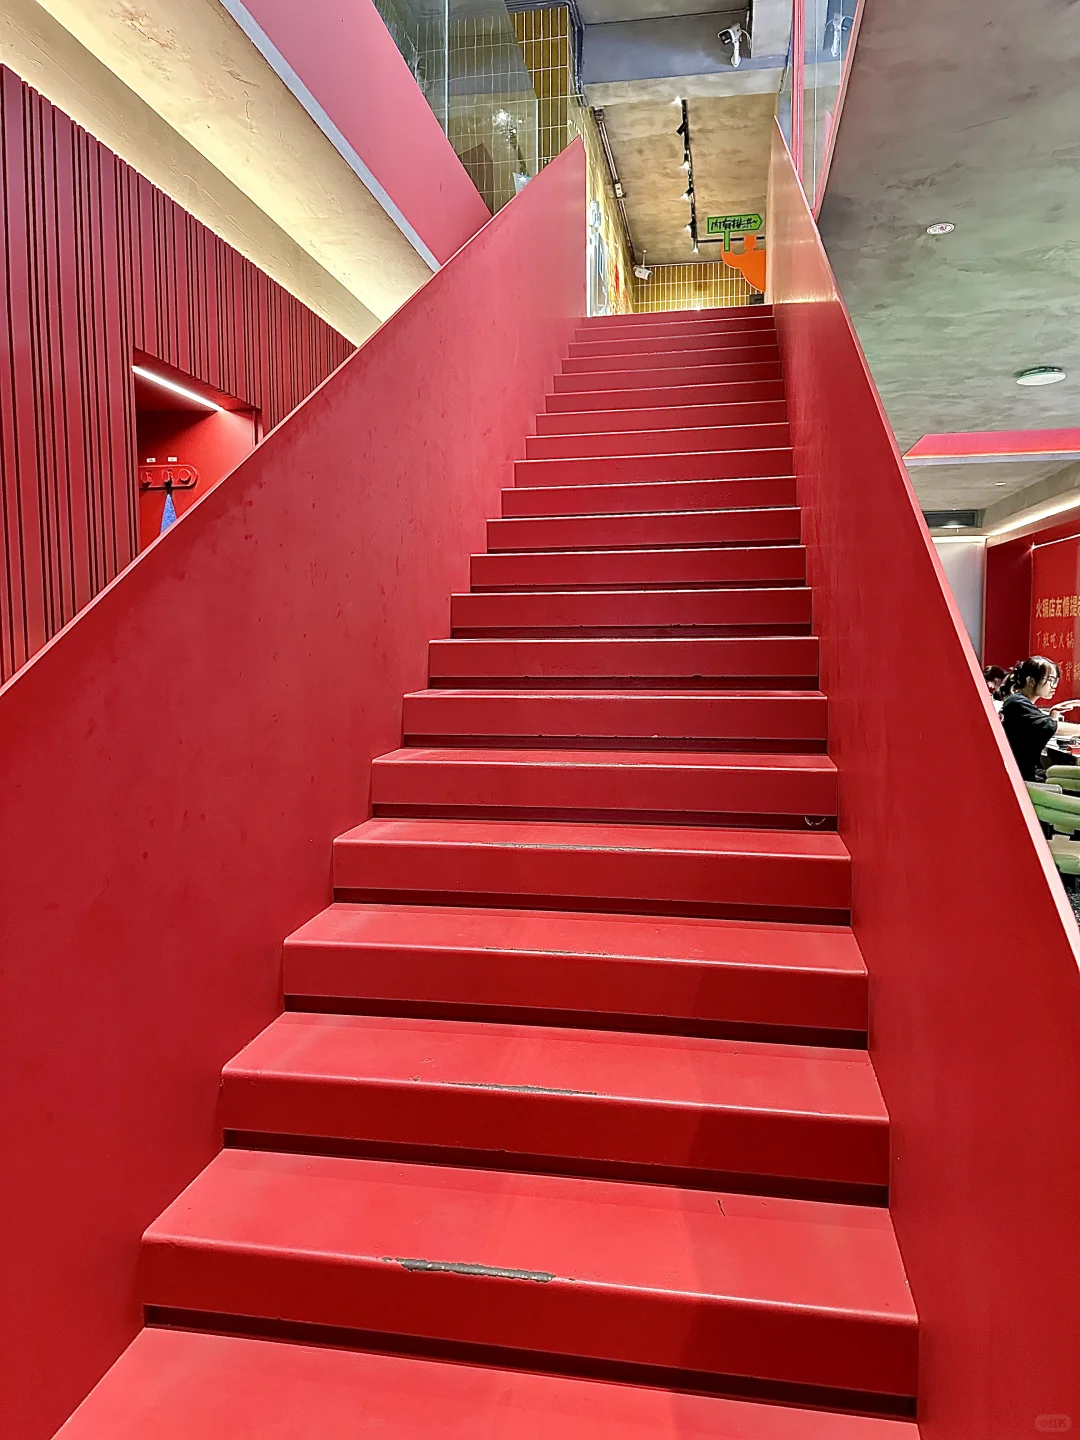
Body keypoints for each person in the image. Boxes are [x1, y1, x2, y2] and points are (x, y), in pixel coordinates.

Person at [1000, 656, 1080, 781]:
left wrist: (1053, 713)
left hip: (1024, 771)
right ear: (1031, 680)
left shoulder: (1017, 701)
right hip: (1023, 777)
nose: (1054, 686)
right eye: (1050, 680)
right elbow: (1050, 726)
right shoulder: (1018, 703)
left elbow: (1040, 728)